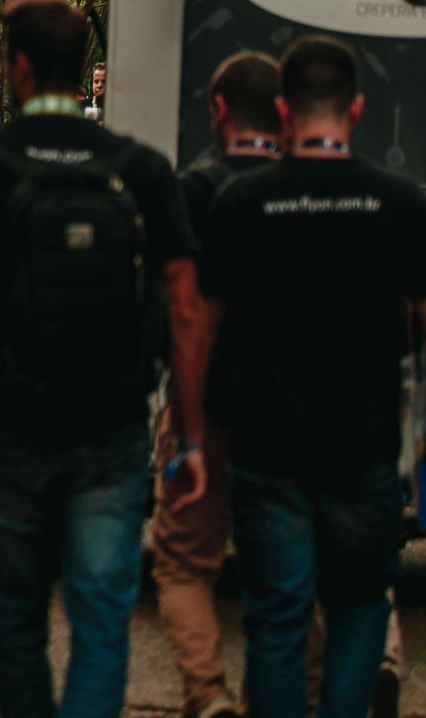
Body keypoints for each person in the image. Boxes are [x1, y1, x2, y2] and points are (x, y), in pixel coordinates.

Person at [0, 0, 205, 718]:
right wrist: (189, 436)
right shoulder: (142, 169)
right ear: (83, 68)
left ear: (20, 68)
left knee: (18, 620)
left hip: (7, 417)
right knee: (102, 617)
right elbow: (188, 310)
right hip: (114, 420)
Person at [201, 35, 426, 718]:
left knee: (278, 618)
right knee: (358, 605)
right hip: (361, 448)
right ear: (356, 108)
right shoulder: (397, 201)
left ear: (284, 111)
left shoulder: (241, 202)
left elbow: (202, 322)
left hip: (267, 451)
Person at [152, 50, 284, 718]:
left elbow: (179, 312)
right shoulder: (303, 188)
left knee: (184, 561)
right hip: (289, 409)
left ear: (220, 111)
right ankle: (324, 685)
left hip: (206, 405)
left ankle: (208, 695)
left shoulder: (197, 188)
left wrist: (181, 419)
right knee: (289, 564)